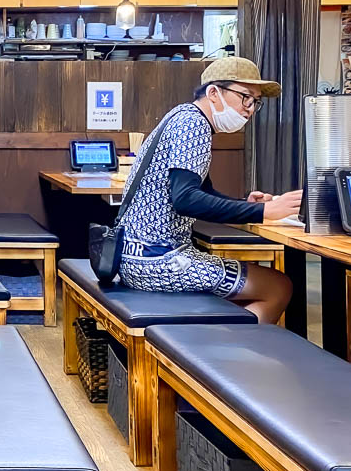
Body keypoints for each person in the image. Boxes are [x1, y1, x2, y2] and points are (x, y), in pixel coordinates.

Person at [117, 57, 301, 324]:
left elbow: (203, 194)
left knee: (258, 286)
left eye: (255, 102)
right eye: (245, 97)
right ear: (214, 93)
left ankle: (220, 346)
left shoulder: (181, 116)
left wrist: (246, 204)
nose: (249, 109)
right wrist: (263, 211)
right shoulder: (194, 126)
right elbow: (186, 200)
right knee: (278, 287)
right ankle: (227, 361)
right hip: (159, 260)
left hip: (136, 255)